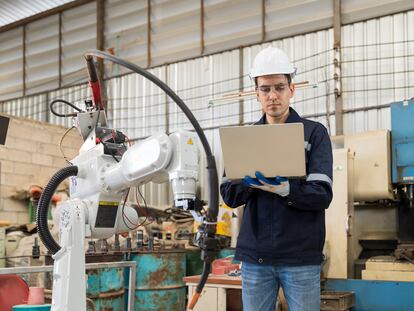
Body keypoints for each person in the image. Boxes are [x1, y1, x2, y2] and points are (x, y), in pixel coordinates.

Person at [220, 47, 333, 311]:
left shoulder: (313, 134)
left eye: (280, 87)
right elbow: (229, 195)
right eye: (266, 89)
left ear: (292, 89)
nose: (273, 96)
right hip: (255, 257)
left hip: (301, 257)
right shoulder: (245, 139)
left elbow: (322, 194)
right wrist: (249, 183)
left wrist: (287, 189)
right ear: (256, 94)